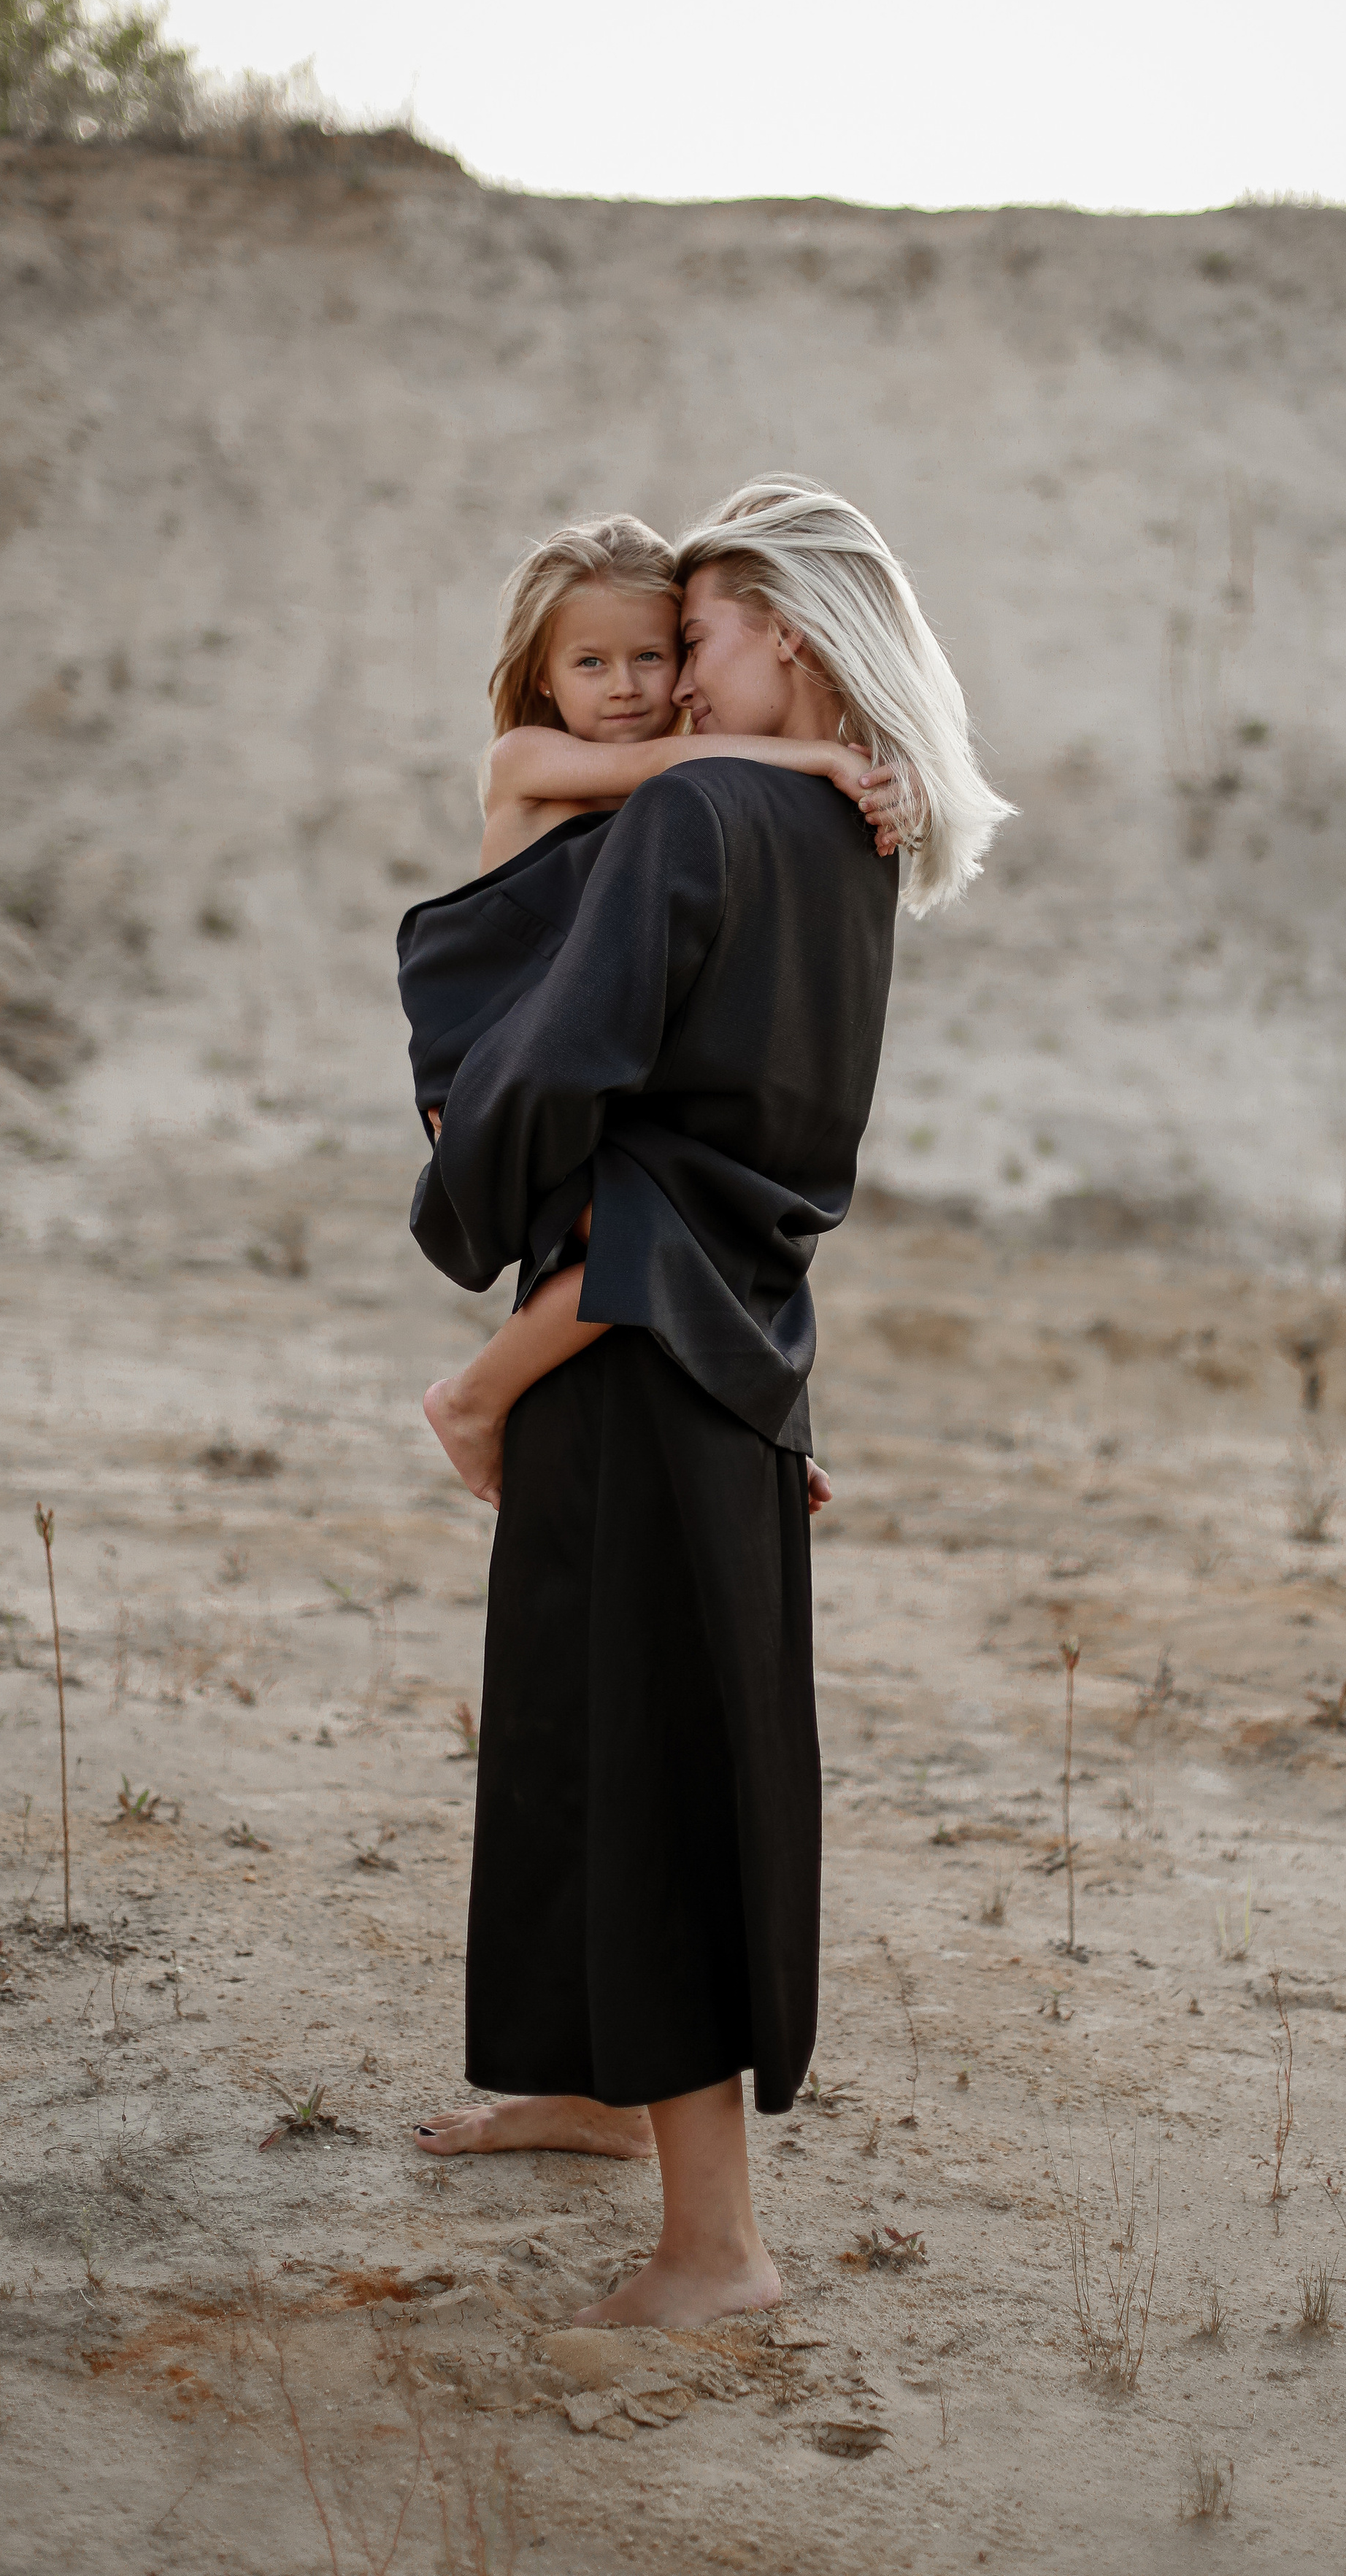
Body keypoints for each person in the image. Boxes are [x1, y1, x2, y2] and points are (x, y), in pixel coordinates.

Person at [408, 477, 1012, 2326]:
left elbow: (559, 1066)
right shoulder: (857, 839)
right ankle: (594, 2093)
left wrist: (468, 1168)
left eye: (706, 635)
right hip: (733, 1329)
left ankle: (714, 2252)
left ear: (792, 639)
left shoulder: (701, 813)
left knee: (648, 1761)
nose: (674, 680)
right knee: (607, 1727)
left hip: (638, 1337)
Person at [401, 513, 904, 1508]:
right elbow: (659, 773)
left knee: (668, 1249)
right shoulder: (528, 758)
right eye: (591, 662)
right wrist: (819, 760)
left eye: (654, 655)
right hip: (488, 1049)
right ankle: (469, 1400)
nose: (629, 686)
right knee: (644, 1242)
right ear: (544, 674)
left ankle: (754, 1413)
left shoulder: (691, 767)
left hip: (570, 1044)